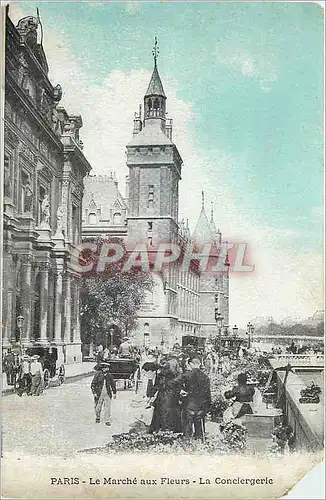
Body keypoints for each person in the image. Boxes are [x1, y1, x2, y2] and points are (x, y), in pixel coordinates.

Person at [171, 356, 211, 440]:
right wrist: (207, 408)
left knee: (187, 431)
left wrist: (180, 391)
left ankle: (187, 446)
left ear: (191, 364)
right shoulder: (205, 377)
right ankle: (199, 447)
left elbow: (173, 383)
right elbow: (208, 394)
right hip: (201, 406)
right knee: (200, 433)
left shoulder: (187, 375)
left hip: (189, 405)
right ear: (200, 364)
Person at [147, 358, 182, 434]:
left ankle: (161, 429)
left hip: (162, 399)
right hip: (173, 398)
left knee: (161, 413)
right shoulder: (177, 375)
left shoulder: (160, 376)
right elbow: (180, 388)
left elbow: (152, 391)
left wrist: (150, 380)